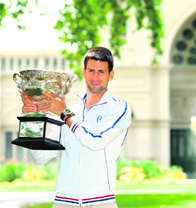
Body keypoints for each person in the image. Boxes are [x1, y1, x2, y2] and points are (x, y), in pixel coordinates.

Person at [21, 47, 132, 208]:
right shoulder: (68, 112)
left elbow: (96, 141)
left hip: (102, 202)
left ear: (111, 75)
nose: (95, 77)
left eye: (101, 72)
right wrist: (31, 116)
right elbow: (41, 157)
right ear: (84, 72)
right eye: (91, 70)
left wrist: (64, 114)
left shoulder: (119, 109)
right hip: (64, 202)